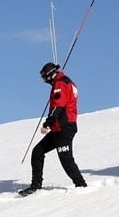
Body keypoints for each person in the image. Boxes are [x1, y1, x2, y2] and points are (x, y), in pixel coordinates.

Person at [19, 63, 89, 195]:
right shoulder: (65, 82)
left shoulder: (60, 84)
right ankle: (36, 186)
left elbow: (58, 106)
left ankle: (81, 185)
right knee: (37, 151)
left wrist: (47, 123)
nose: (44, 81)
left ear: (51, 75)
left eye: (45, 77)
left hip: (64, 127)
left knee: (66, 159)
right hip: (59, 128)